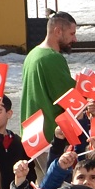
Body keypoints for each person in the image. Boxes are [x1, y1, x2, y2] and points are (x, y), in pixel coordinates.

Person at [20, 12, 80, 145]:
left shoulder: (33, 54)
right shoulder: (52, 58)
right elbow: (69, 97)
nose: (75, 39)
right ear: (58, 31)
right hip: (51, 136)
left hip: (33, 135)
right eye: (71, 33)